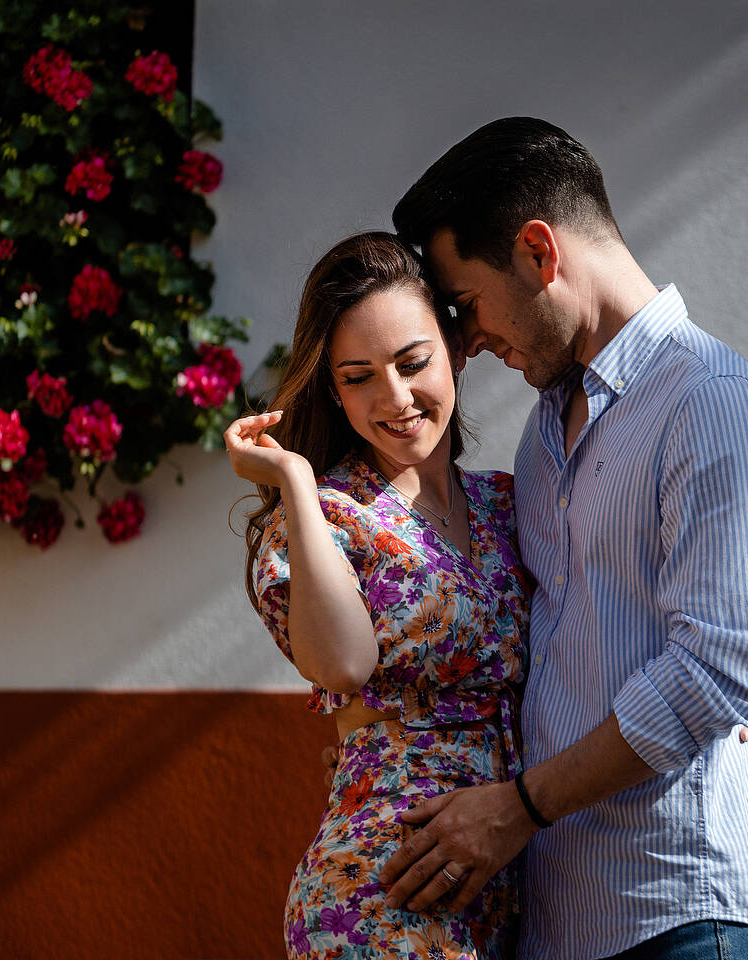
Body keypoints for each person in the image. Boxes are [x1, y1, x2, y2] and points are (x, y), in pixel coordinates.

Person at [376, 117, 748, 960]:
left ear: (539, 251)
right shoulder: (542, 438)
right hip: (562, 921)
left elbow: (717, 670)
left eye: (467, 304)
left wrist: (520, 807)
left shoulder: (711, 399)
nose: (468, 343)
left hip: (686, 910)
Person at [226, 232, 531, 958]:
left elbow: (606, 616)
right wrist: (295, 481)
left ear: (456, 350)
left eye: (412, 362)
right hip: (383, 887)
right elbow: (342, 665)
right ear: (333, 390)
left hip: (515, 880)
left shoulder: (510, 505)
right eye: (359, 377)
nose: (394, 398)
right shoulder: (324, 516)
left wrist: (730, 703)